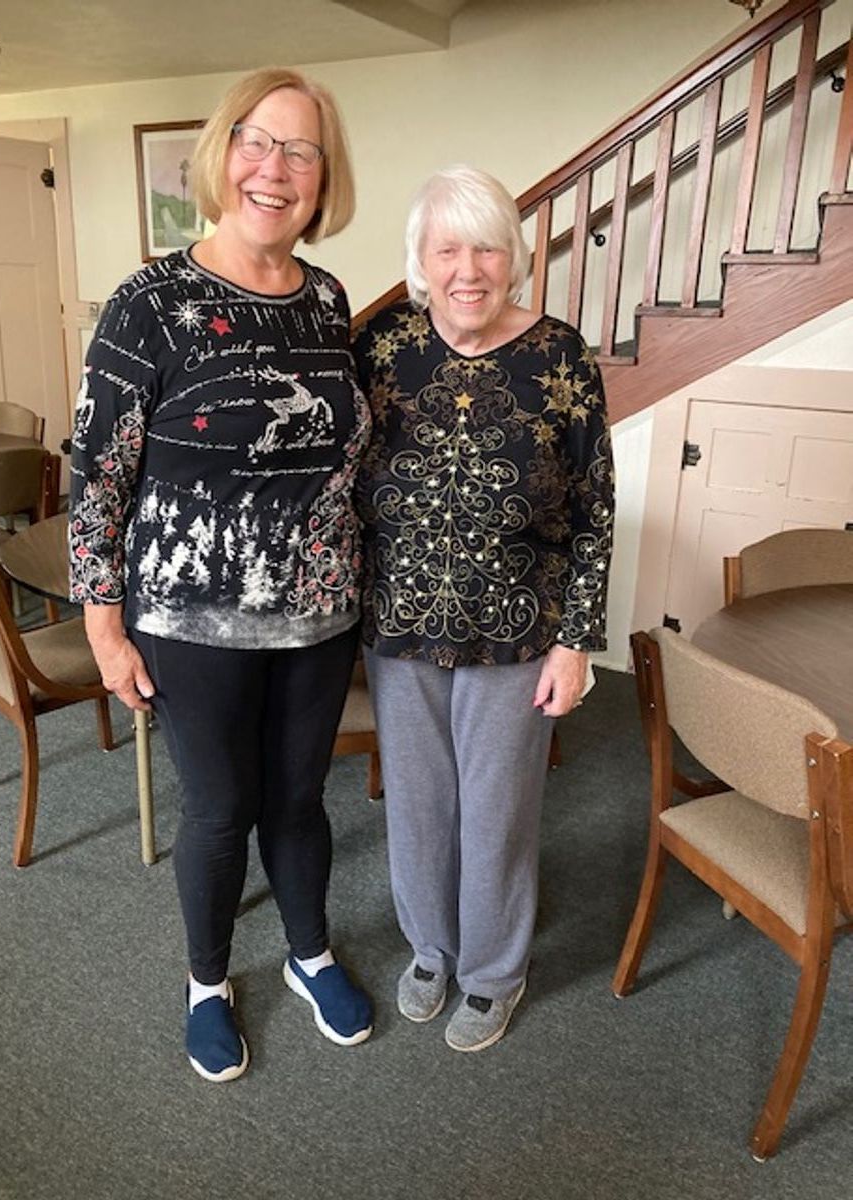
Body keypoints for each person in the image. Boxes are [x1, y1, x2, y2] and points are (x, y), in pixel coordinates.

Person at [69, 68, 373, 1083]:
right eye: (257, 141)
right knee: (217, 810)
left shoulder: (326, 301)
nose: (274, 168)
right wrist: (104, 625)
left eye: (301, 150)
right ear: (221, 154)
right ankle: (208, 982)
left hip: (317, 615)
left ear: (322, 178)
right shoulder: (148, 304)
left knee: (299, 800)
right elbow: (97, 473)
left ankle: (309, 955)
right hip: (190, 618)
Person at [354, 165, 614, 1052]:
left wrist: (576, 642)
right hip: (400, 623)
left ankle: (495, 972)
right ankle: (431, 950)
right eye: (448, 250)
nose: (468, 270)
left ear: (515, 258)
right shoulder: (383, 345)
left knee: (498, 810)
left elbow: (595, 507)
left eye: (488, 249)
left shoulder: (560, 354)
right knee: (418, 803)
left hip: (519, 628)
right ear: (421, 262)